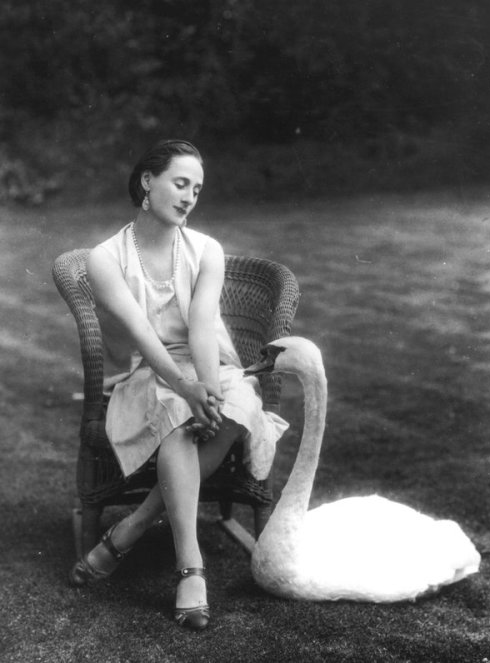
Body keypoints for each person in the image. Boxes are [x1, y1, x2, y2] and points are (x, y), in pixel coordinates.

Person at [68, 139, 288, 631]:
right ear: (148, 181)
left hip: (211, 362)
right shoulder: (105, 259)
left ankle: (134, 525)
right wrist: (187, 390)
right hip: (150, 372)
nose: (190, 196)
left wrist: (207, 388)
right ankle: (191, 567)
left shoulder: (206, 248)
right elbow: (146, 339)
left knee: (235, 403)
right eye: (180, 182)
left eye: (197, 188)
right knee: (179, 416)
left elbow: (203, 326)